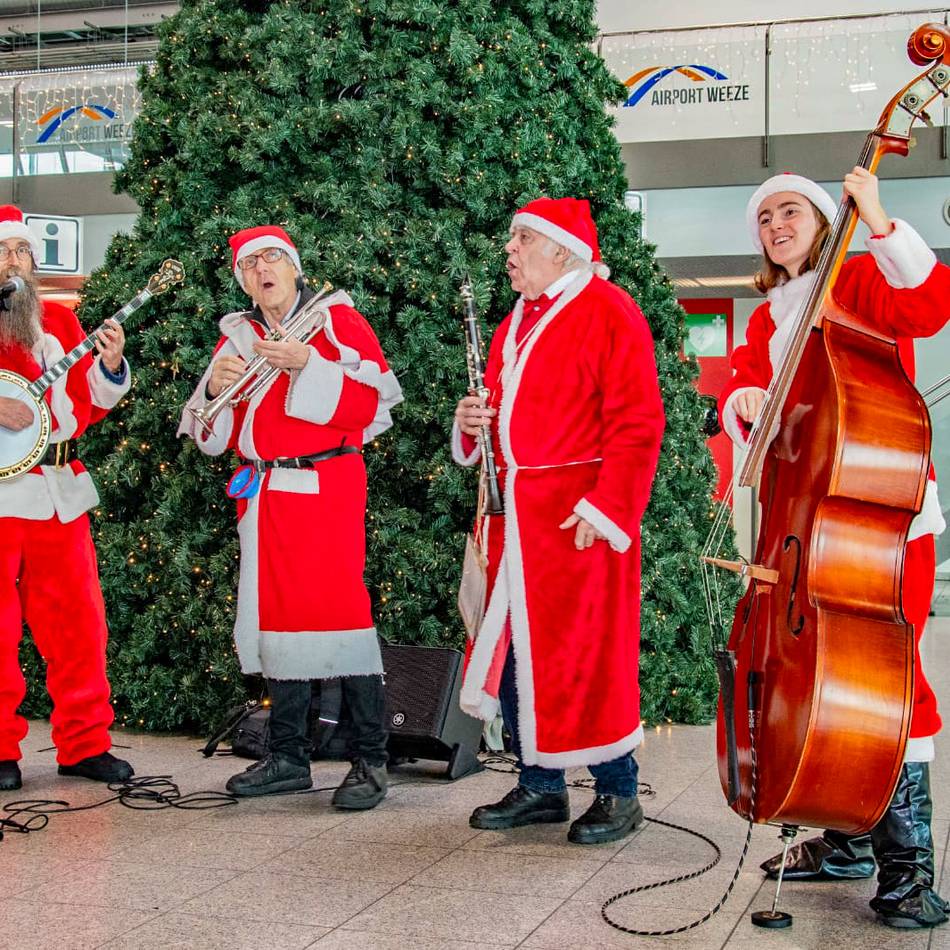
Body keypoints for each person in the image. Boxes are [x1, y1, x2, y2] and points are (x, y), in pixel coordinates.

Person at [719, 168, 950, 929]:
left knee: (888, 680)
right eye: (764, 217)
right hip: (805, 525)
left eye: (791, 210)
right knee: (820, 675)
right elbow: (752, 404)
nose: (776, 224)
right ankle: (849, 834)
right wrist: (742, 403)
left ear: (824, 220)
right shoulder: (766, 318)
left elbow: (928, 306)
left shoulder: (855, 279)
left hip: (880, 523)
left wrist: (880, 220)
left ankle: (910, 871)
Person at [452, 197, 665, 844]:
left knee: (589, 655)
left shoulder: (610, 311)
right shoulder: (514, 320)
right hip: (517, 519)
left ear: (561, 250)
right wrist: (470, 426)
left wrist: (607, 509)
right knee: (516, 656)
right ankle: (541, 785)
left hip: (579, 518)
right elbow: (494, 409)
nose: (509, 251)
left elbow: (638, 420)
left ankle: (618, 790)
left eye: (521, 239)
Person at [179, 225, 402, 809]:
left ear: (295, 267)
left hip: (327, 484)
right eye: (251, 265)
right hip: (264, 492)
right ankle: (287, 757)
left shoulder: (337, 322)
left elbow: (371, 407)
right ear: (243, 281)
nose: (263, 269)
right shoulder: (236, 339)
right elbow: (211, 435)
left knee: (341, 618)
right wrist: (211, 392)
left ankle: (371, 760)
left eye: (273, 257)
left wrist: (309, 365)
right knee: (270, 617)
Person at [0, 204, 134, 790]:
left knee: (80, 626)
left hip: (60, 492)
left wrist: (109, 364)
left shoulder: (60, 320)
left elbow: (89, 404)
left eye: (21, 252)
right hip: (3, 496)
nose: (14, 261)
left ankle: (84, 743)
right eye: (4, 251)